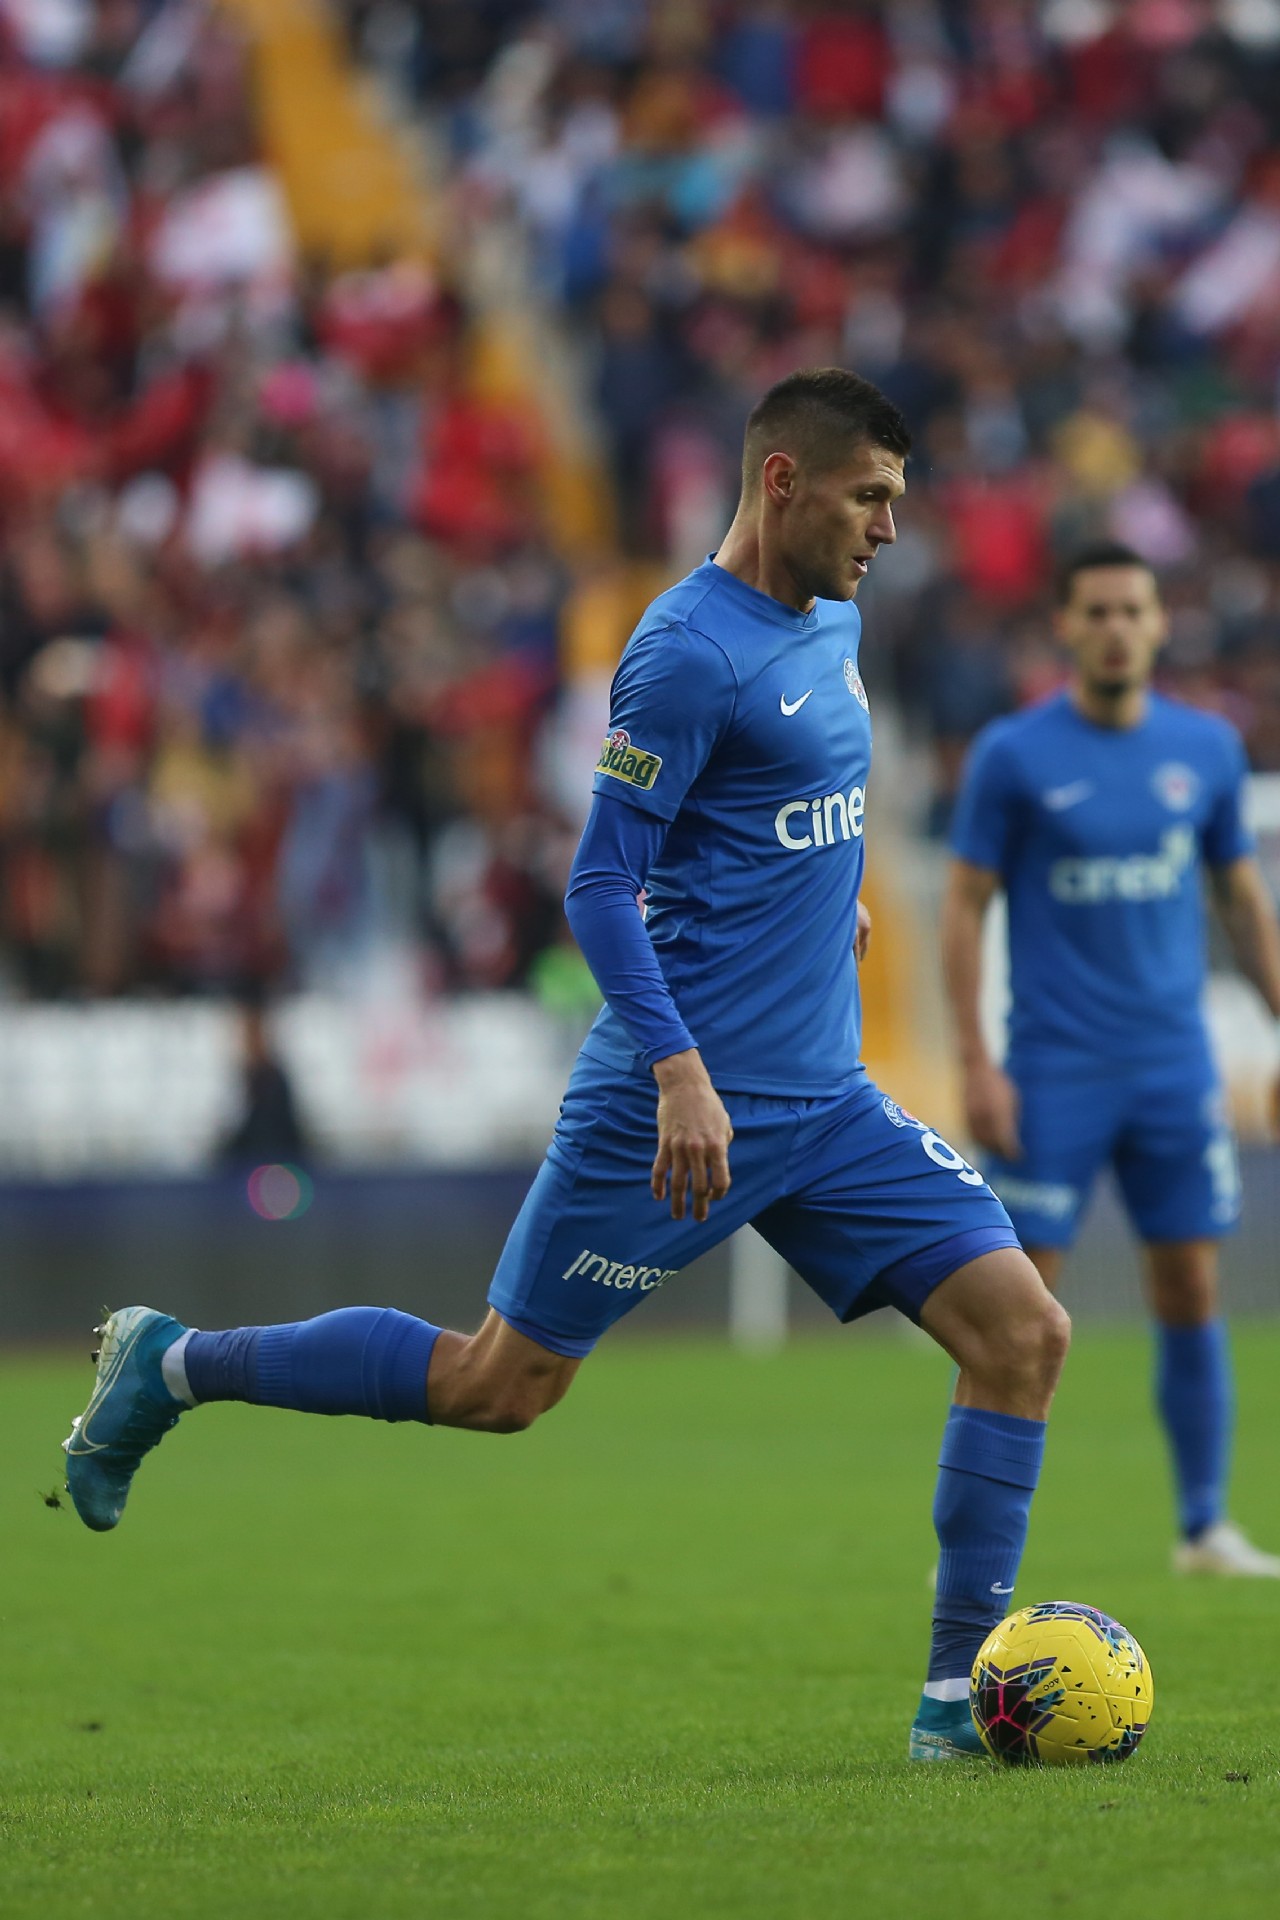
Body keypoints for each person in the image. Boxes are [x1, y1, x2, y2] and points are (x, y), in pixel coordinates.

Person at [62, 369, 1069, 1761]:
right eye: (868, 498)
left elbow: (791, 808)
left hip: (825, 1101)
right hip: (677, 1102)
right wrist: (678, 1073)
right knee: (500, 1387)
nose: (889, 530)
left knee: (1023, 1335)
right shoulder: (684, 652)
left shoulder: (835, 617)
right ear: (782, 482)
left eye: (896, 501)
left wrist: (828, 893)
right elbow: (599, 885)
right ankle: (174, 1363)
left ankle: (954, 1705)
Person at [942, 540, 1280, 1578]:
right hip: (1052, 1072)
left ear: (1159, 623)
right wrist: (976, 1061)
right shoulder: (1013, 755)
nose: (1116, 629)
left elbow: (1239, 898)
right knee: (1013, 1312)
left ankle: (1203, 1527)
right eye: (1095, 611)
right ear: (1063, 626)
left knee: (1189, 1286)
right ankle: (978, 1545)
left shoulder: (1205, 749)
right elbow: (963, 907)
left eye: (1133, 610)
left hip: (1173, 1067)